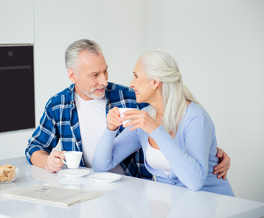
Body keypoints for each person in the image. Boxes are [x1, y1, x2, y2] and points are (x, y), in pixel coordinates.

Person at [25, 39, 230, 180]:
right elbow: (34, 147)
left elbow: (173, 115)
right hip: (84, 189)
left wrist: (211, 151)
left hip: (134, 186)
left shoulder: (130, 97)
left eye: (105, 71)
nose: (104, 80)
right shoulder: (58, 105)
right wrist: (47, 162)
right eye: (94, 75)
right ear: (72, 76)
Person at [92, 50, 234, 196]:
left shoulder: (196, 117)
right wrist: (111, 128)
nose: (131, 84)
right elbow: (100, 166)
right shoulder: (145, 117)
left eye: (136, 76)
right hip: (177, 205)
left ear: (154, 82)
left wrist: (155, 130)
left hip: (213, 203)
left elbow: (195, 182)